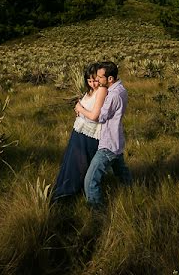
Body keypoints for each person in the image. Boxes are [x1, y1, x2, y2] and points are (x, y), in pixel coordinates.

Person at [78, 60, 131, 208]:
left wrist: (81, 110)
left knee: (90, 181)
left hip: (108, 144)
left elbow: (99, 117)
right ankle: (133, 193)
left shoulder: (113, 95)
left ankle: (97, 212)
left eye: (100, 77)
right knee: (122, 174)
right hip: (117, 142)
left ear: (110, 79)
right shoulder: (121, 89)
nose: (98, 80)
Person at [51, 62, 107, 202]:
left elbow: (94, 116)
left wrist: (80, 108)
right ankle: (65, 191)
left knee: (80, 164)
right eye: (89, 81)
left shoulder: (102, 90)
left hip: (90, 134)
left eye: (95, 80)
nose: (93, 83)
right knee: (71, 162)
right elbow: (85, 110)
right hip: (79, 131)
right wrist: (79, 110)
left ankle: (71, 193)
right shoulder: (89, 91)